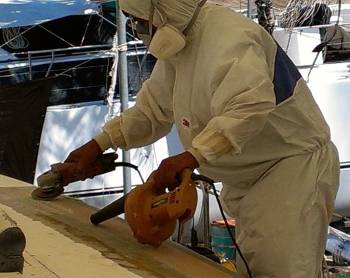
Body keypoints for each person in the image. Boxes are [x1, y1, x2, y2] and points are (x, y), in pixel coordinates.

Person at [64, 0, 340, 276]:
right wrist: (99, 143)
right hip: (253, 178)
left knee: (281, 273)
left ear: (162, 11)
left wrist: (192, 157)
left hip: (292, 170)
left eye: (137, 21)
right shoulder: (183, 40)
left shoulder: (231, 38)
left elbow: (248, 108)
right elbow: (152, 110)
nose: (137, 30)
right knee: (257, 272)